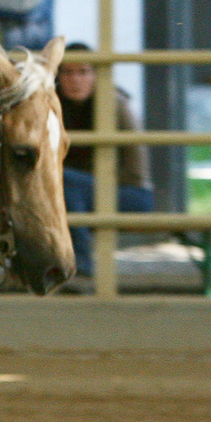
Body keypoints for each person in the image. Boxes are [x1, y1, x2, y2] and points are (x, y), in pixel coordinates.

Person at [57, 42, 152, 278]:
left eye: (83, 72)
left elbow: (136, 172)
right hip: (72, 193)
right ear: (57, 76)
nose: (75, 80)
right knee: (65, 187)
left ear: (96, 75)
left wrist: (84, 180)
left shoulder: (115, 104)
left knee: (66, 183)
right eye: (67, 72)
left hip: (128, 192)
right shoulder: (51, 104)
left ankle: (80, 265)